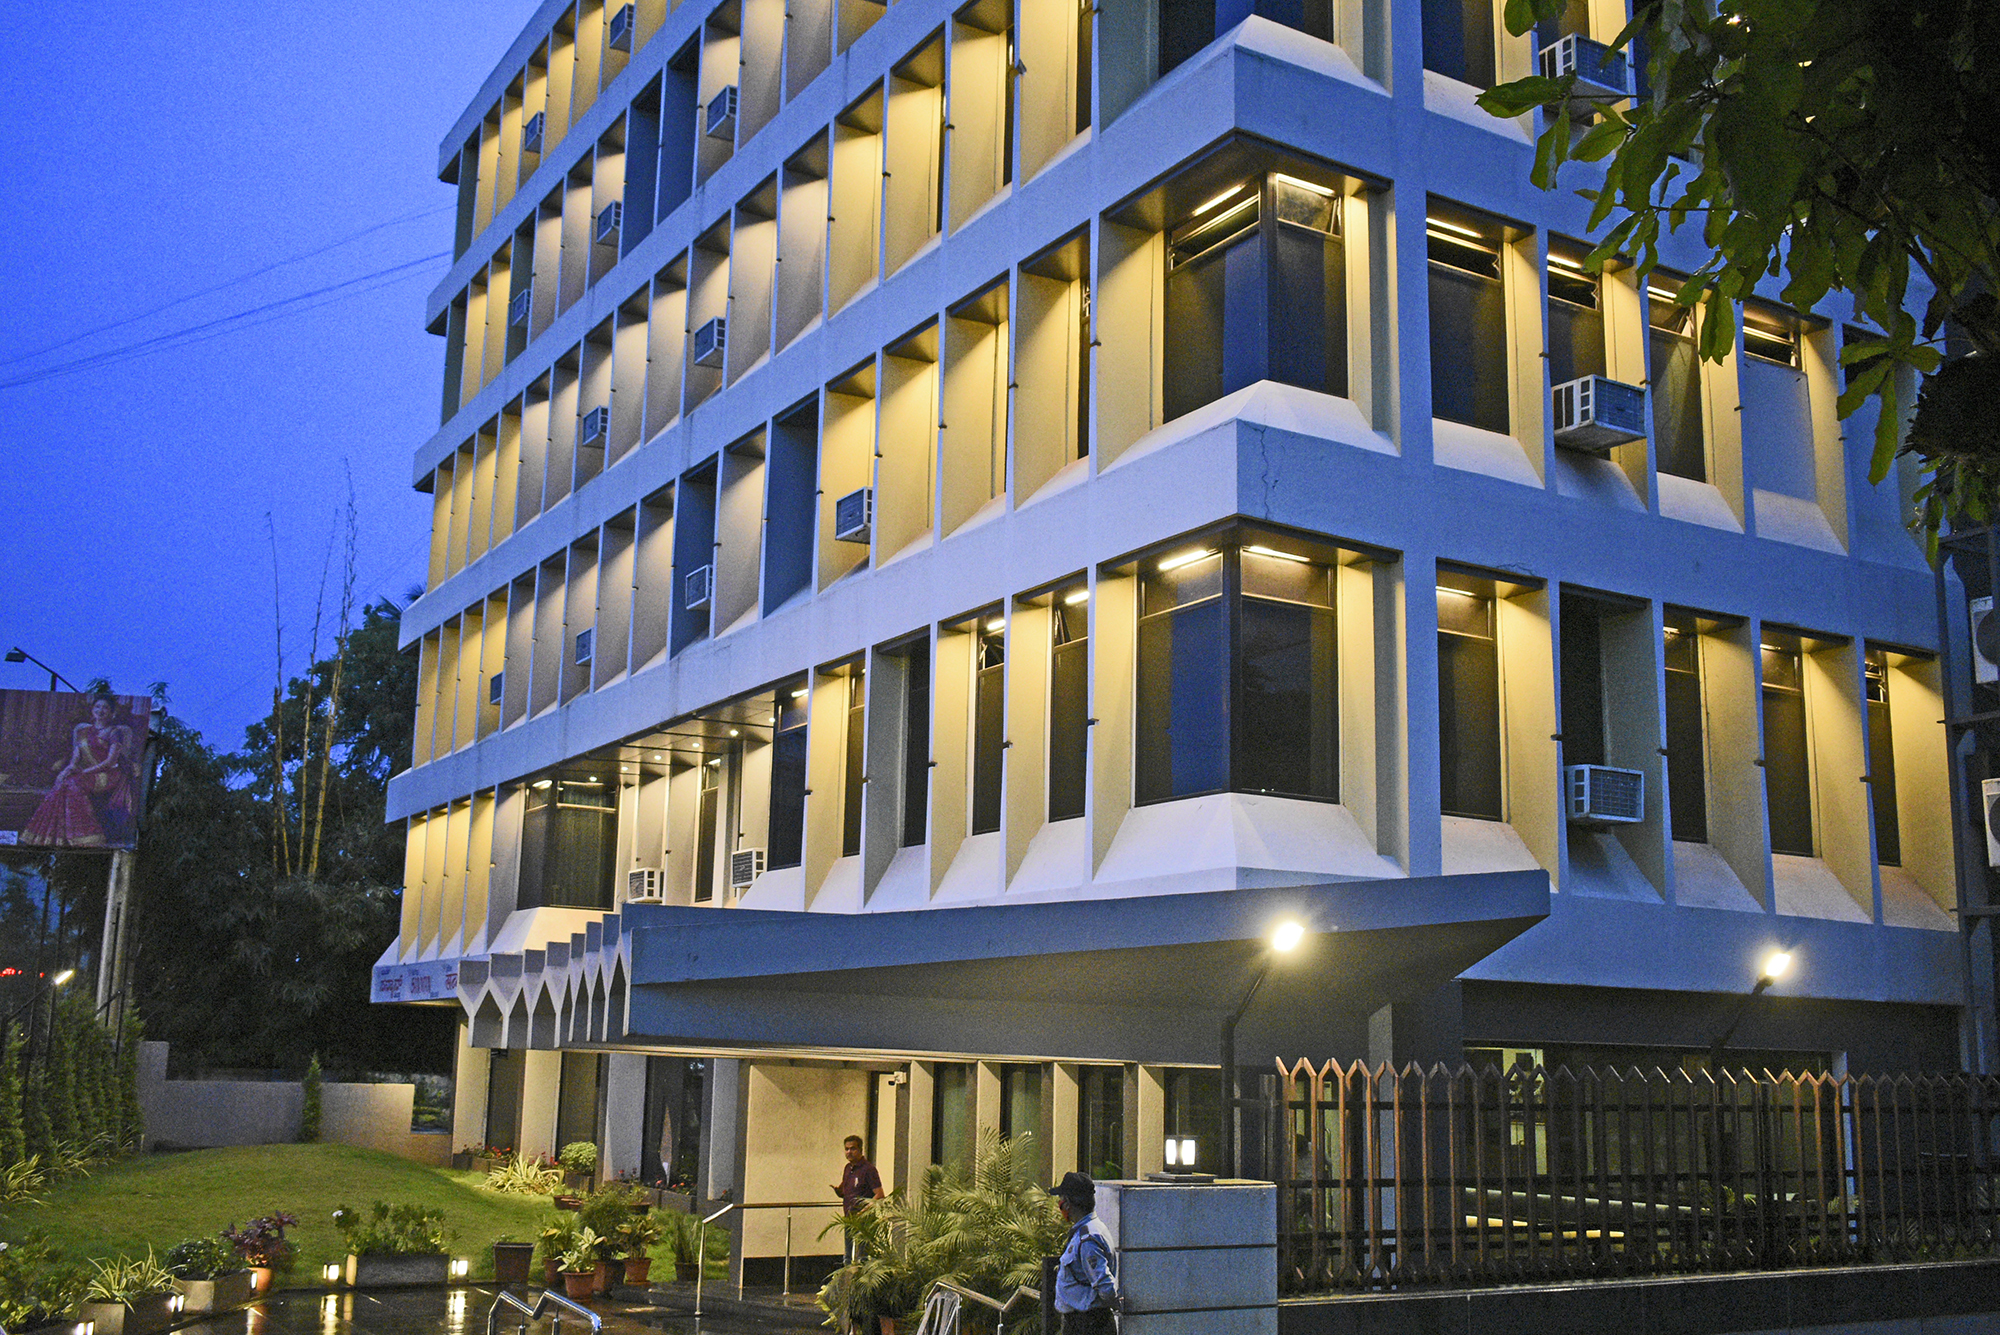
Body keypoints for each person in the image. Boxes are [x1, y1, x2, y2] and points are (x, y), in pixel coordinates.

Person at [21, 694, 138, 848]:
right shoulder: (82, 731)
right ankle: (50, 836)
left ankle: (87, 836)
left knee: (73, 784)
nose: (100, 710)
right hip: (86, 773)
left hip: (108, 774)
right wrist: (65, 771)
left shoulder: (114, 732)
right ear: (92, 710)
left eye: (105, 708)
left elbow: (110, 762)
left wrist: (85, 772)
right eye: (97, 706)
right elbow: (75, 759)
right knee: (62, 783)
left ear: (112, 713)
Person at [1048, 1171, 1118, 1335]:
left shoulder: (1088, 1239)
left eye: (1061, 1199)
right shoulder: (1088, 1230)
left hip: (1088, 1324)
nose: (1059, 1204)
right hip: (1082, 1322)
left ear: (1068, 1204)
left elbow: (1106, 1287)